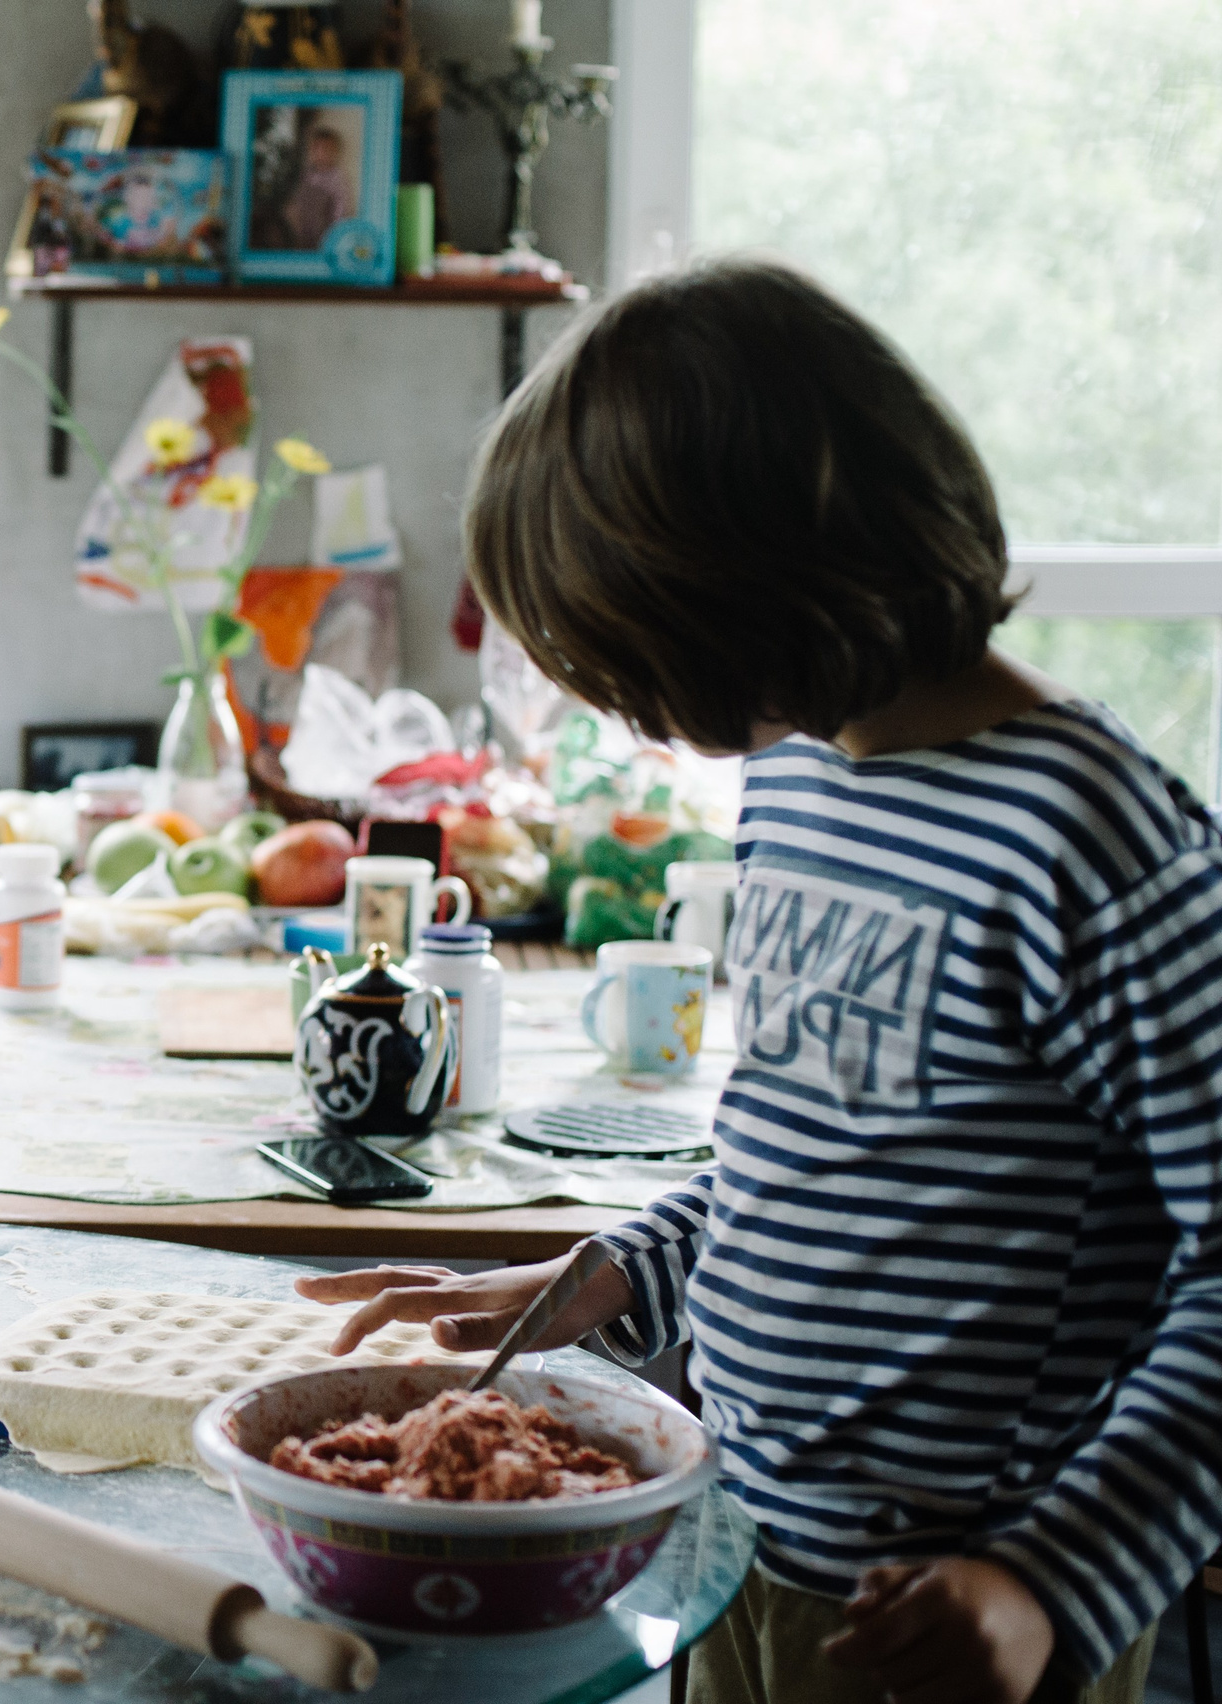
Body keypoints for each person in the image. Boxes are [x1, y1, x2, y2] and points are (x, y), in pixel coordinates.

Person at [301, 257, 1217, 1704]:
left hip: (963, 1611)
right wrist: (616, 1271)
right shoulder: (797, 782)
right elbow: (808, 1155)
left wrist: (1048, 1584)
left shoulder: (1086, 837)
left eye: (625, 657)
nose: (619, 705)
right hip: (738, 1540)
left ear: (749, 586)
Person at [276, 122, 353, 251]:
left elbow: (341, 207)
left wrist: (335, 233)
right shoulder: (306, 174)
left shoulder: (337, 177)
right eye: (318, 148)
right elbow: (296, 199)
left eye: (327, 149)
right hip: (301, 229)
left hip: (324, 232)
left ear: (335, 152)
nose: (322, 153)